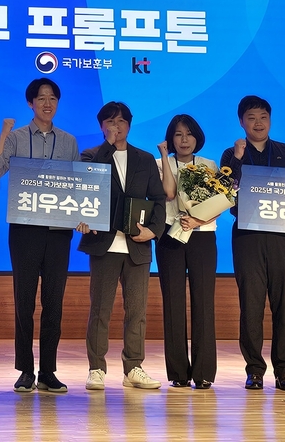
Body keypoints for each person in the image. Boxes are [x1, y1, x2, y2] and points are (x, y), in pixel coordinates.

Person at [0, 77, 79, 394]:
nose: (47, 103)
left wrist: (83, 216)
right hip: (24, 230)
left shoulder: (68, 141)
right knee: (24, 301)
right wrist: (3, 133)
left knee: (54, 302)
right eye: (41, 98)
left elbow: (77, 185)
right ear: (31, 103)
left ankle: (48, 371)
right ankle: (25, 370)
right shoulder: (16, 137)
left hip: (58, 231)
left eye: (52, 98)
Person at [79, 101, 167, 393]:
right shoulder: (91, 155)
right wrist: (108, 145)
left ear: (129, 125)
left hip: (137, 246)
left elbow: (158, 199)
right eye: (110, 122)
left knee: (137, 311)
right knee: (100, 310)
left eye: (121, 122)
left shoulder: (144, 159)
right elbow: (87, 184)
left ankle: (133, 367)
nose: (116, 127)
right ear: (101, 126)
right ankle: (96, 368)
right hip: (103, 244)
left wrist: (153, 231)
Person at [219, 94, 285, 392]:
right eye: (251, 118)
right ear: (241, 122)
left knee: (284, 305)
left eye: (263, 117)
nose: (258, 123)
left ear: (270, 120)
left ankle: (284, 372)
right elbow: (224, 192)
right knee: (251, 304)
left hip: (283, 237)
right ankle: (254, 370)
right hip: (248, 236)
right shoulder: (231, 154)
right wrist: (238, 157)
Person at [155, 114, 218, 390]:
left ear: (197, 137)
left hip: (202, 236)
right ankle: (178, 372)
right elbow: (168, 194)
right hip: (170, 234)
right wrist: (164, 156)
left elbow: (219, 202)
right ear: (171, 138)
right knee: (173, 302)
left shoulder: (209, 165)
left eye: (189, 134)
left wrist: (197, 220)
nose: (184, 139)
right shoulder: (160, 164)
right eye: (178, 134)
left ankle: (203, 371)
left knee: (203, 302)